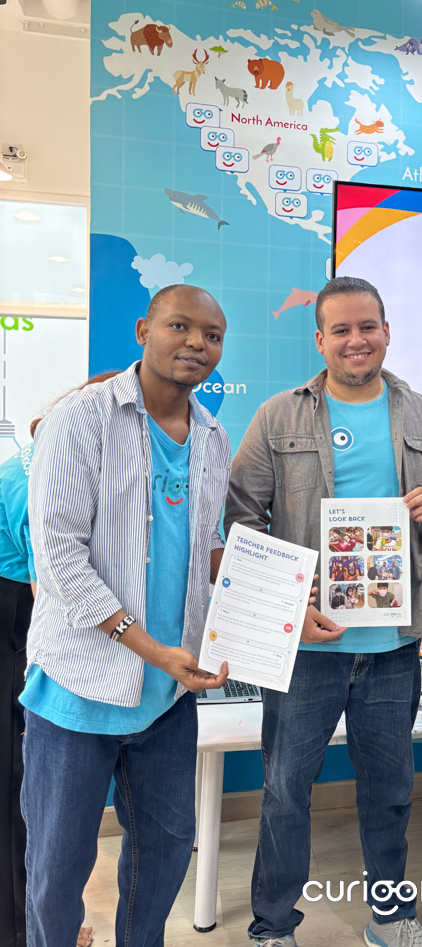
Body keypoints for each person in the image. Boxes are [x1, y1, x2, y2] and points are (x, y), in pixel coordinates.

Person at [225, 274, 422, 947]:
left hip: (394, 647)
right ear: (320, 340)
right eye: (341, 330)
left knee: (389, 792)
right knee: (284, 792)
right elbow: (241, 520)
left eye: (368, 327)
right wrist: (287, 600)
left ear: (387, 332)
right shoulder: (278, 417)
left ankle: (391, 918)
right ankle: (273, 926)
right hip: (307, 650)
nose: (356, 340)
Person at [22, 285, 232, 947]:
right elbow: (59, 559)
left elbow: (205, 546)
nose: (197, 343)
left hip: (167, 698)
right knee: (56, 873)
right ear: (144, 329)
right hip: (77, 693)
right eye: (180, 326)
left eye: (212, 335)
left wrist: (284, 604)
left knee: (163, 857)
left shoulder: (213, 436)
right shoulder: (82, 419)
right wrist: (148, 647)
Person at [0, 373, 119, 947]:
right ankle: (33, 930)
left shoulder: (36, 456)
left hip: (19, 609)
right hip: (14, 617)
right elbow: (56, 593)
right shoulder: (40, 481)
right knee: (23, 790)